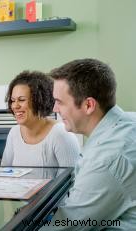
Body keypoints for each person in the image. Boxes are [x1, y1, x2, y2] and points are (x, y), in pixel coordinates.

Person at [41, 58, 136, 230]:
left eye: (60, 102)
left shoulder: (106, 160)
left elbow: (66, 227)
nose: (54, 109)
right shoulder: (127, 121)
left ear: (88, 105)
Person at [1, 71, 79, 167]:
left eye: (21, 100)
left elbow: (73, 179)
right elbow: (4, 171)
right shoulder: (14, 133)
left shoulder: (61, 134)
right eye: (13, 101)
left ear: (39, 100)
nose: (15, 106)